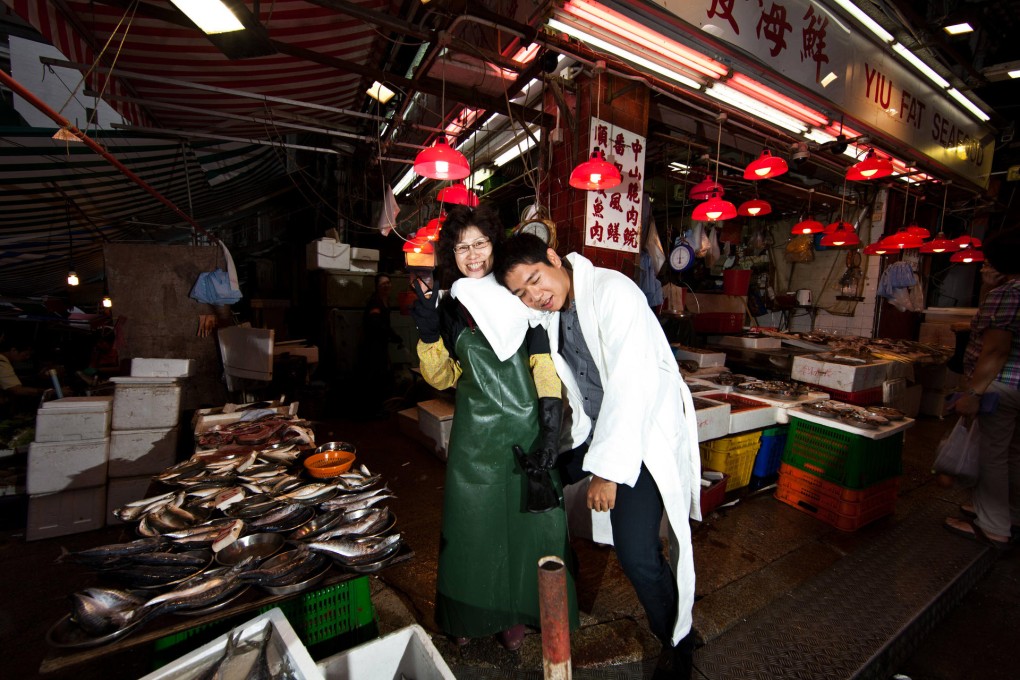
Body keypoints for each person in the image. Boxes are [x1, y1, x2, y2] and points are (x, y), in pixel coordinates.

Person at [494, 233, 702, 678]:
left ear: (553, 258)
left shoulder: (613, 292)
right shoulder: (554, 314)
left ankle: (678, 639)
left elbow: (630, 386)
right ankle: (526, 599)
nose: (534, 296)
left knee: (637, 553)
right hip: (602, 428)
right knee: (543, 476)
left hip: (642, 432)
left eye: (534, 279)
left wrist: (605, 473)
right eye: (521, 293)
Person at [408, 204, 579, 650]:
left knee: (530, 529)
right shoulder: (449, 306)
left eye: (480, 243)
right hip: (475, 439)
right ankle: (470, 614)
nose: (472, 255)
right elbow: (443, 377)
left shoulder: (519, 295)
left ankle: (519, 613)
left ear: (493, 244)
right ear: (453, 254)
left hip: (527, 432)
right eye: (462, 247)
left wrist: (548, 426)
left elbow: (543, 363)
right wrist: (428, 333)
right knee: (472, 528)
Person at [945, 229, 1020, 549]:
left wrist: (973, 393)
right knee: (1013, 454)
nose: (983, 266)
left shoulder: (1008, 293)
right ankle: (1009, 515)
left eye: (987, 260)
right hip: (1017, 387)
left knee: (991, 457)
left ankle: (993, 527)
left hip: (999, 388)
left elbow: (996, 351)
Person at [359, 273, 401, 417]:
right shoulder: (375, 302)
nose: (386, 286)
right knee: (375, 376)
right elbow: (375, 322)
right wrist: (391, 334)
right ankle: (372, 411)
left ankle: (378, 408)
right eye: (383, 284)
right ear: (377, 287)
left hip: (381, 344)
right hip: (373, 345)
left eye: (388, 283)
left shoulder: (385, 300)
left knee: (381, 375)